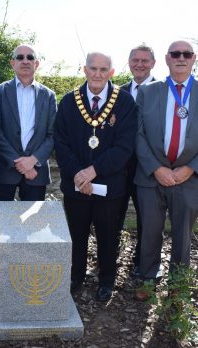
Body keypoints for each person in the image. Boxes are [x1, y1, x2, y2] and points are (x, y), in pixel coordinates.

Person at [54, 52, 137, 301]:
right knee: (76, 234)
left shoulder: (124, 102)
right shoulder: (69, 101)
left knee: (108, 235)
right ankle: (76, 275)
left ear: (111, 72)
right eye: (93, 68)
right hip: (76, 184)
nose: (98, 74)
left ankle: (106, 281)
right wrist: (80, 175)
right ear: (85, 70)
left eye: (103, 69)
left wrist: (94, 171)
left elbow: (124, 147)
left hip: (110, 186)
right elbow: (61, 142)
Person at [0, 44, 57, 277]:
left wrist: (33, 160)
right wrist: (18, 161)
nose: (25, 61)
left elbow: (52, 134)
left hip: (35, 172)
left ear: (37, 63)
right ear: (12, 63)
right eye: (20, 57)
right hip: (5, 170)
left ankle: (26, 270)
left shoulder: (48, 95)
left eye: (30, 57)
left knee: (31, 224)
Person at [134, 40, 198, 301]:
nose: (181, 57)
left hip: (189, 177)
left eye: (186, 54)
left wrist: (191, 168)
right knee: (149, 229)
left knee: (183, 233)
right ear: (167, 59)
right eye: (175, 54)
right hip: (152, 176)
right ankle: (147, 280)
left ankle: (178, 284)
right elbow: (137, 135)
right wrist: (156, 167)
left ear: (194, 59)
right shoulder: (149, 92)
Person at [119, 44, 156, 278]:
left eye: (145, 60)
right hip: (120, 167)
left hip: (149, 167)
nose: (139, 64)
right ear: (129, 62)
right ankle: (109, 257)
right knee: (114, 214)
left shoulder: (162, 90)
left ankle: (143, 263)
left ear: (153, 63)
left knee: (148, 219)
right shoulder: (119, 92)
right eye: (135, 60)